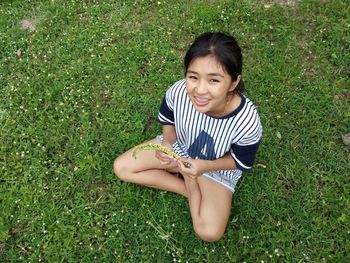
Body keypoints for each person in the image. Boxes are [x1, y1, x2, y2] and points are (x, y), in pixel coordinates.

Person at [114, 32, 262, 242]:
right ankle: (188, 187)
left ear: (233, 82)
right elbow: (168, 118)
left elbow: (240, 161)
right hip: (179, 148)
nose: (200, 90)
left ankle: (192, 180)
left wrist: (202, 168)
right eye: (193, 77)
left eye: (214, 80)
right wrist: (167, 144)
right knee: (122, 167)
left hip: (215, 168)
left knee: (208, 232)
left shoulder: (247, 121)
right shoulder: (178, 92)